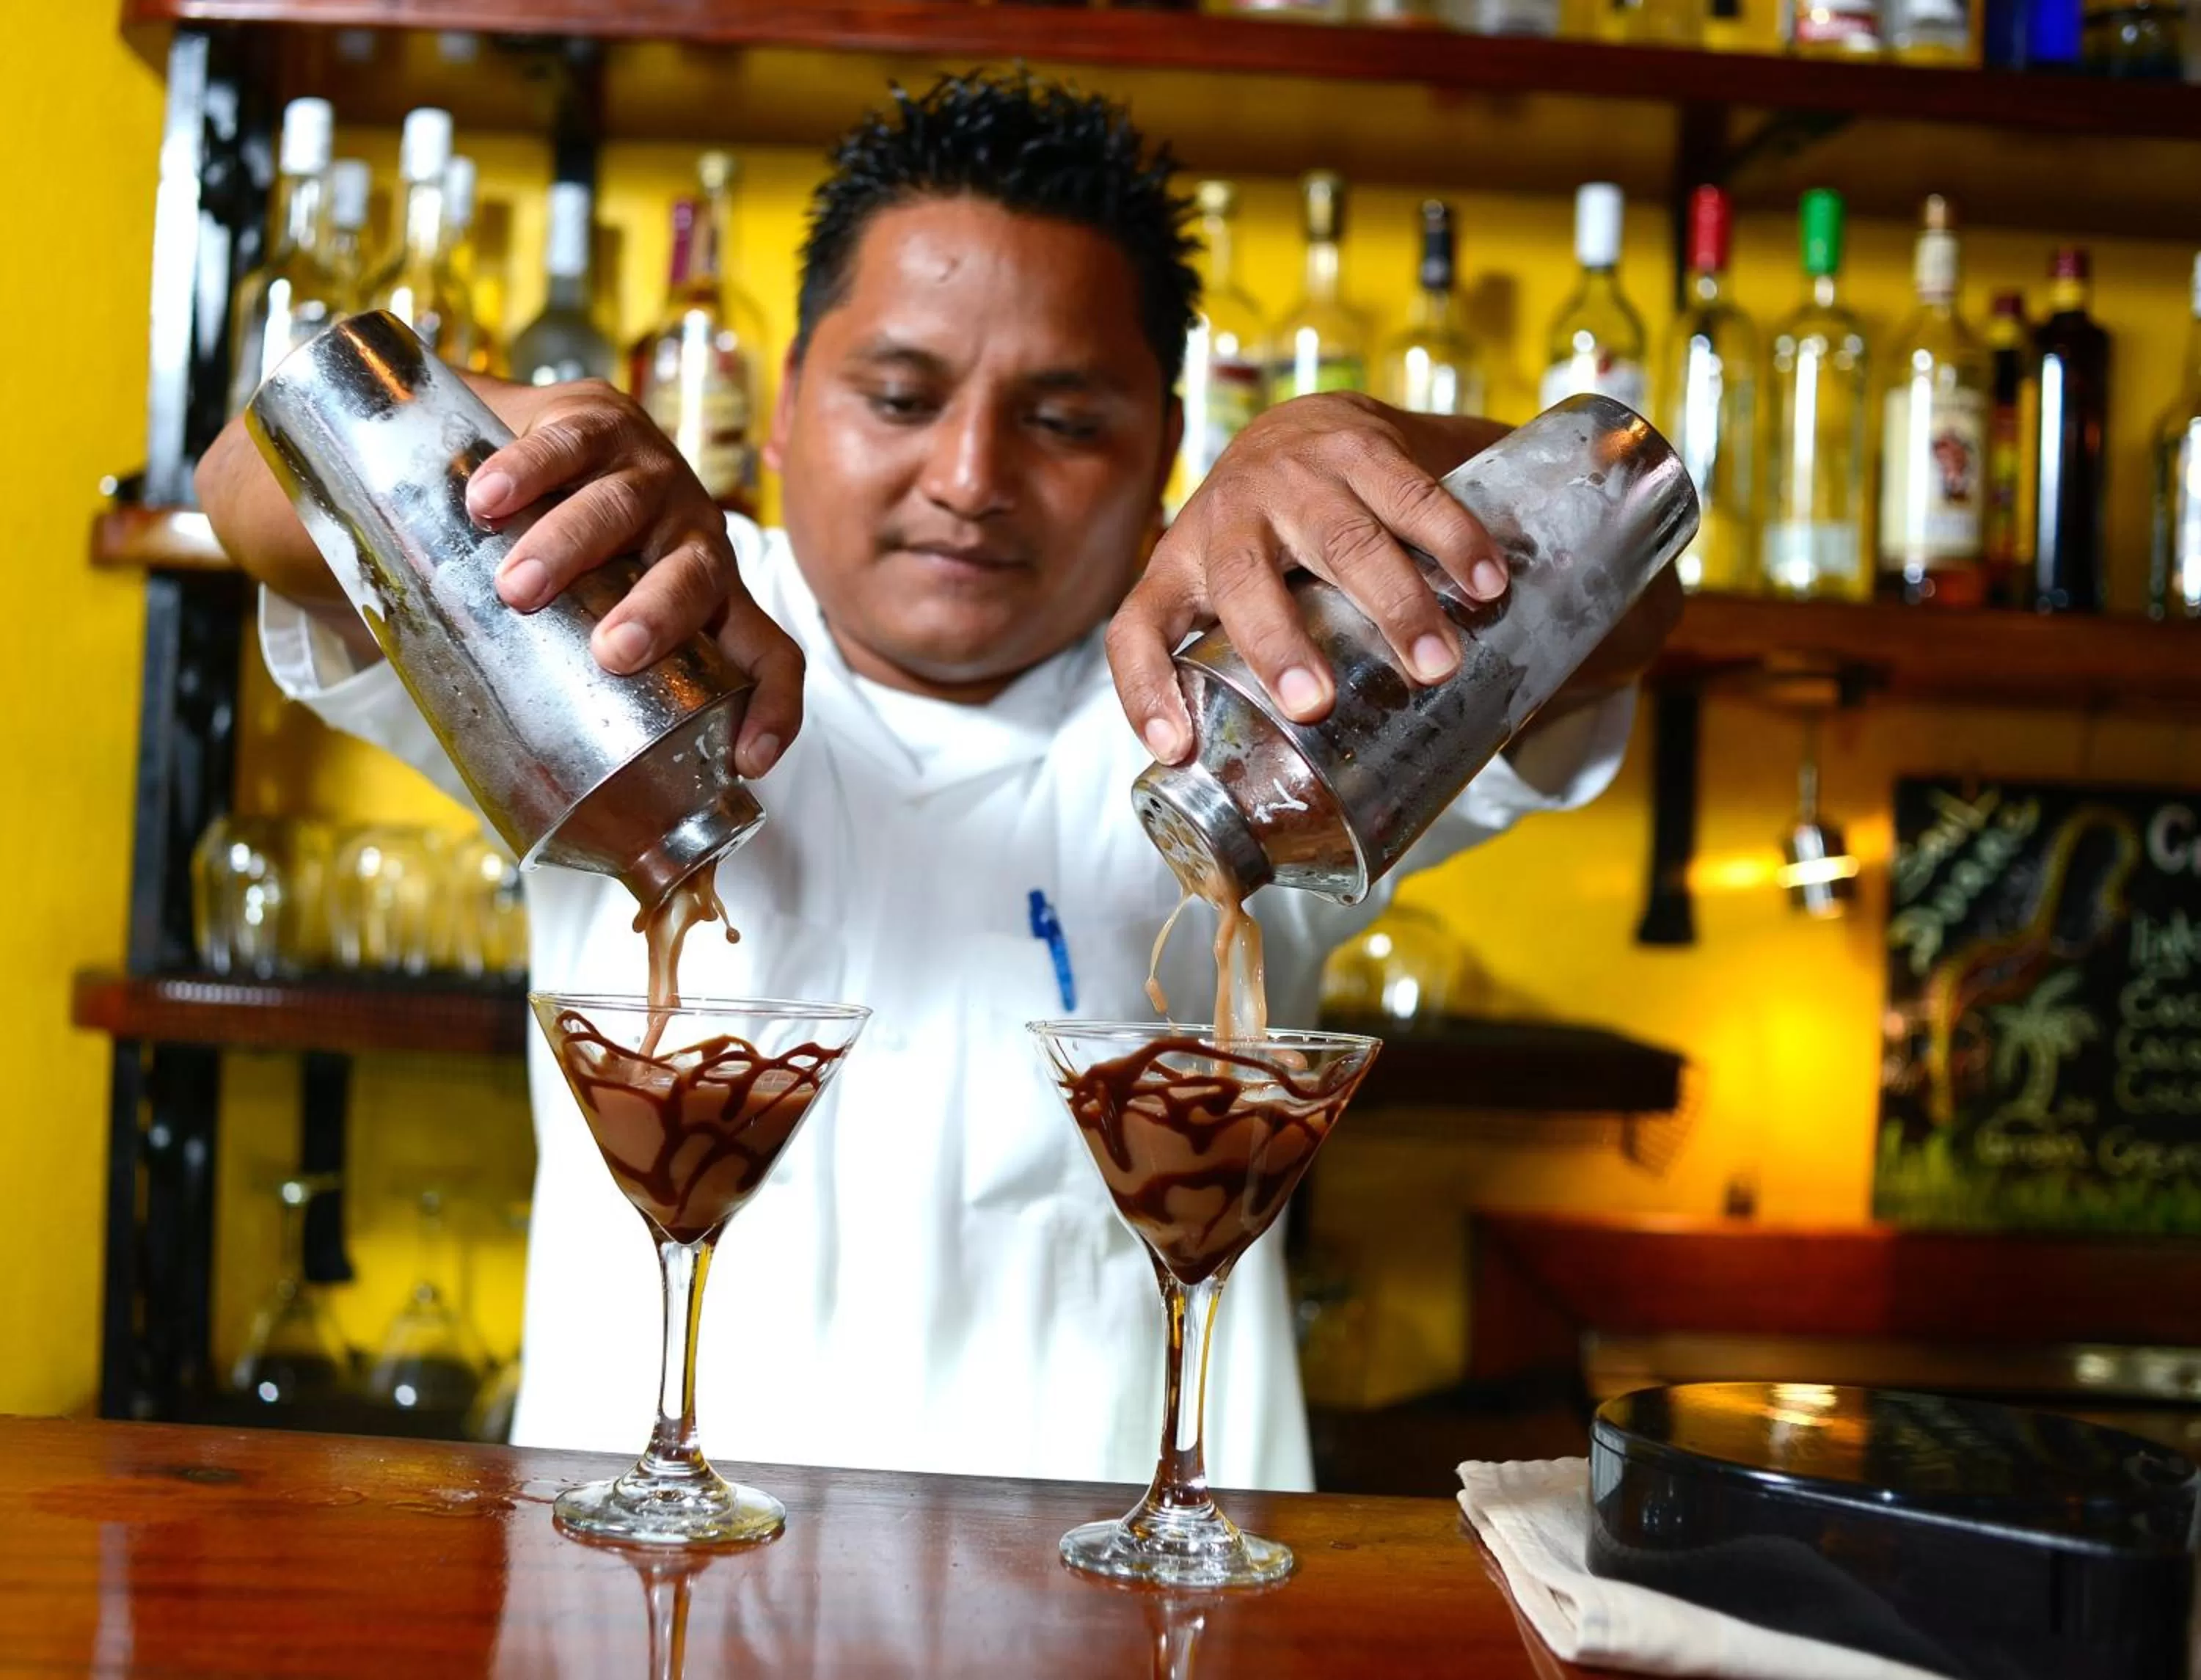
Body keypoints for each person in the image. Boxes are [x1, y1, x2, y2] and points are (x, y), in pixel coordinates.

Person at [198, 72, 1679, 1491]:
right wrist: (528, 444)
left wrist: (1371, 448)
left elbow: (1636, 603)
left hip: (1131, 1618)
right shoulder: (627, 632)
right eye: (901, 398)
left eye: (1064, 418)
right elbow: (248, 484)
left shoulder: (1266, 696)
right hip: (646, 1618)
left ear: (1172, 447)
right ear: (780, 412)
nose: (971, 473)